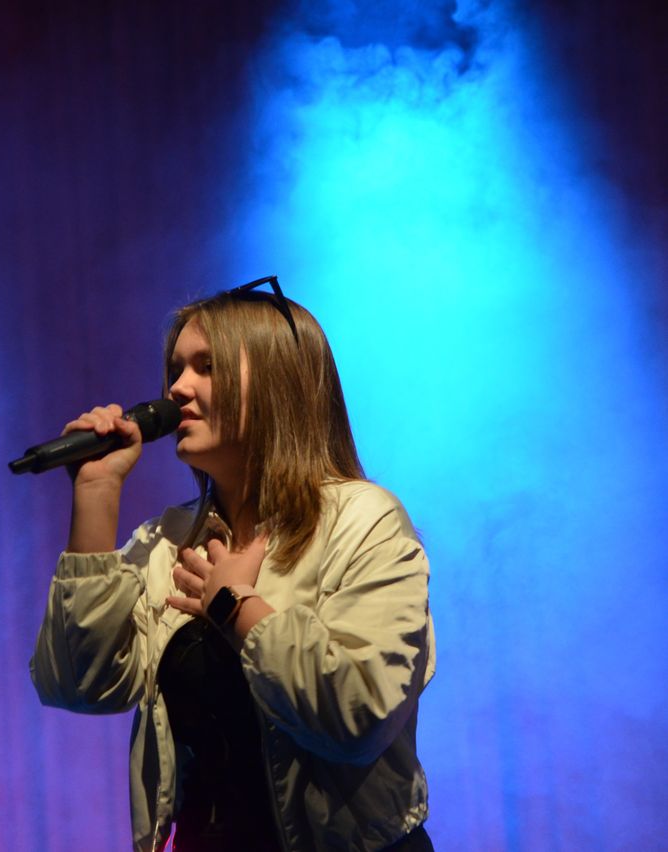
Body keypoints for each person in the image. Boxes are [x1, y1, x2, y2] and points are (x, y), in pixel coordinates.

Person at [30, 277, 436, 852]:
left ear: (280, 385)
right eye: (175, 369)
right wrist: (96, 496)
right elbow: (79, 685)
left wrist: (237, 607)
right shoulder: (170, 538)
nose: (177, 390)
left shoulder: (362, 520)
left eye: (207, 367)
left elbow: (358, 717)